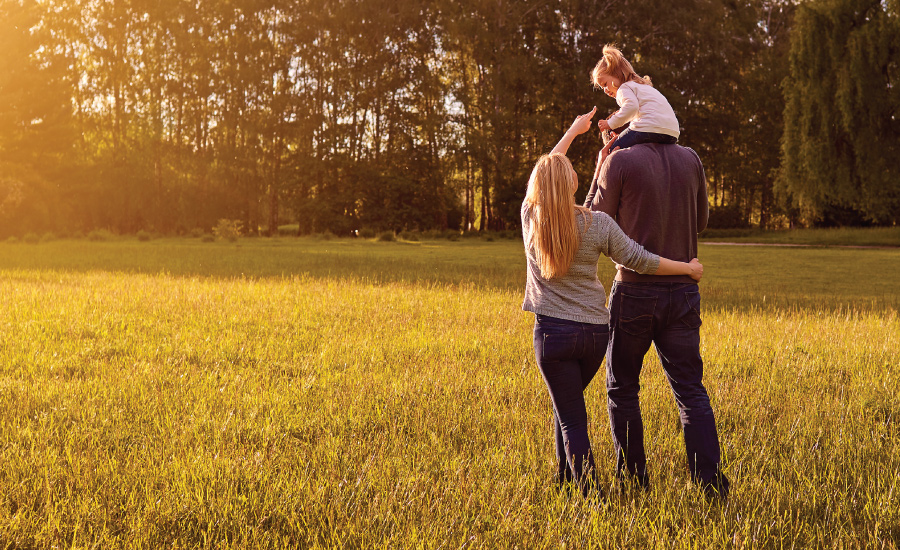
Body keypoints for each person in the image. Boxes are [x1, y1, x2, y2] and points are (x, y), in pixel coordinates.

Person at [522, 106, 704, 497]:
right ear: (572, 184)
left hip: (553, 335)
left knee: (571, 417)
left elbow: (545, 176)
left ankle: (591, 496)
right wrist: (685, 269)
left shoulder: (532, 217)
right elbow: (639, 258)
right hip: (593, 335)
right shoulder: (596, 224)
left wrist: (572, 131)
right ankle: (565, 480)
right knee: (566, 405)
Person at [583, 123, 731, 500]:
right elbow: (701, 223)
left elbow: (592, 221)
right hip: (683, 290)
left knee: (622, 388)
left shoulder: (618, 162)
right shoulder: (691, 158)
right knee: (690, 390)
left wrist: (603, 163)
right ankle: (710, 485)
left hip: (634, 292)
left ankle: (634, 481)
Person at [591, 45, 680, 151]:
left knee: (613, 149)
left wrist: (610, 123)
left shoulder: (623, 88)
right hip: (672, 132)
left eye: (605, 84)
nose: (605, 90)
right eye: (602, 88)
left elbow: (631, 107)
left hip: (648, 128)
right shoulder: (643, 87)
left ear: (617, 74)